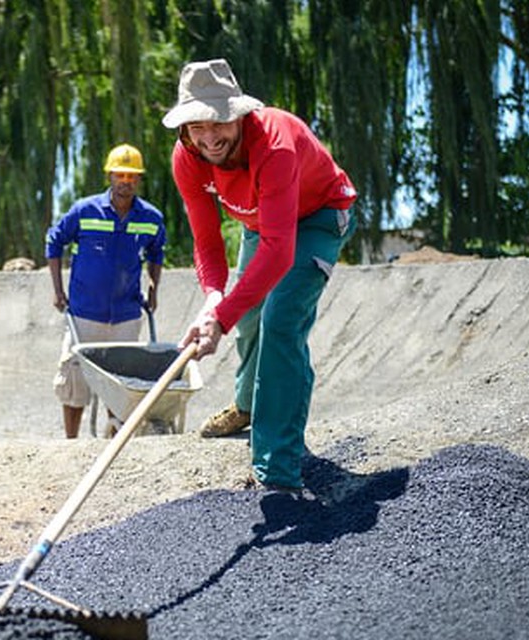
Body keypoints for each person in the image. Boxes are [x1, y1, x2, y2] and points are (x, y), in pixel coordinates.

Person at [163, 59, 357, 491]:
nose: (209, 136)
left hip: (320, 217)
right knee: (247, 316)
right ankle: (247, 407)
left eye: (219, 121)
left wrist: (221, 319)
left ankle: (278, 466)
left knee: (279, 321)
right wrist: (215, 297)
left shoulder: (274, 144)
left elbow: (279, 251)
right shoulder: (187, 158)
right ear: (184, 128)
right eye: (197, 126)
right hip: (261, 225)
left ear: (238, 114)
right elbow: (207, 242)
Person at [46, 143, 167, 439]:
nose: (126, 181)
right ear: (110, 176)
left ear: (138, 179)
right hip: (85, 312)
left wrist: (153, 288)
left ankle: (113, 444)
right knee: (74, 380)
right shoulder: (85, 210)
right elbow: (54, 241)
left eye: (132, 176)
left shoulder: (151, 218)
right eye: (120, 175)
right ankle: (71, 443)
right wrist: (57, 291)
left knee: (121, 383)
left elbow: (156, 255)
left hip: (125, 315)